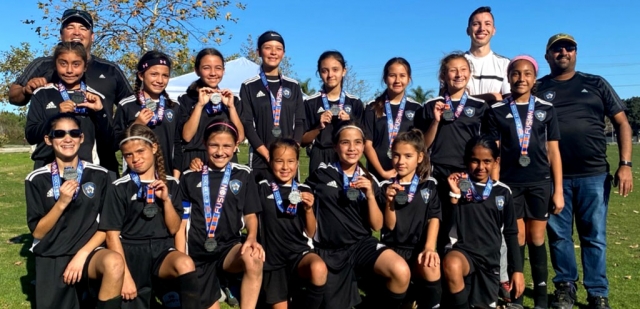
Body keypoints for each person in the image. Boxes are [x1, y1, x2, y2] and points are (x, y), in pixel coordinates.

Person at [538, 33, 633, 309]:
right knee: (559, 236)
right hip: (555, 177)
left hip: (594, 175)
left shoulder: (596, 83)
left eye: (569, 48)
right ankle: (565, 288)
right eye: (557, 49)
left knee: (594, 236)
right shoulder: (539, 88)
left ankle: (597, 292)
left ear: (576, 53)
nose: (563, 52)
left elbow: (622, 124)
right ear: (547, 56)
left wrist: (625, 165)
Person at [11, 8, 131, 174]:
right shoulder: (43, 65)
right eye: (70, 27)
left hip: (100, 166)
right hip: (51, 166)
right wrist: (26, 90)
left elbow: (131, 108)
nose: (76, 32)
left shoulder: (111, 70)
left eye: (83, 28)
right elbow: (14, 96)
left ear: (92, 36)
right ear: (61, 34)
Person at [305, 123, 410, 309]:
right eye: (345, 142)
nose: (352, 148)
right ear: (336, 146)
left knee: (400, 271)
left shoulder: (369, 179)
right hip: (330, 251)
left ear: (363, 146)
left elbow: (377, 226)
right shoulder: (321, 174)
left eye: (357, 143)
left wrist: (370, 194)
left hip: (361, 245)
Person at [25, 114, 124, 309]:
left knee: (114, 262)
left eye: (74, 133)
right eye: (60, 134)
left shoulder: (101, 175)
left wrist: (82, 254)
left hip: (89, 253)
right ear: (48, 139)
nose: (68, 139)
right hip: (53, 255)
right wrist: (61, 203)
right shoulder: (36, 179)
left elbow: (107, 225)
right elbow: (38, 232)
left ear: (82, 137)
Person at [488, 55, 563, 308]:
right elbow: (495, 155)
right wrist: (496, 187)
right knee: (516, 237)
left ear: (534, 78)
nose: (521, 78)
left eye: (527, 74)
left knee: (537, 237)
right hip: (511, 185)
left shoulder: (546, 109)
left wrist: (558, 190)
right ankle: (516, 298)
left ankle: (541, 298)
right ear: (508, 78)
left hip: (540, 182)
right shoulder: (497, 111)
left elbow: (554, 152)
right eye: (516, 73)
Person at [99, 124, 199, 309]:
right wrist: (125, 277)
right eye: (128, 155)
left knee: (185, 263)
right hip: (131, 251)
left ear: (153, 148)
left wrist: (167, 201)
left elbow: (174, 228)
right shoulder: (119, 187)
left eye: (140, 151)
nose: (135, 158)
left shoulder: (171, 183)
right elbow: (112, 235)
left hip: (162, 250)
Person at [179, 121, 264, 309]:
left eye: (226, 146)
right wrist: (181, 258)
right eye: (214, 145)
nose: (220, 152)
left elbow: (250, 214)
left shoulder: (243, 175)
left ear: (235, 147)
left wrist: (251, 238)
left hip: (228, 250)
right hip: (198, 255)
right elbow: (182, 223)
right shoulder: (189, 176)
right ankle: (219, 288)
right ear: (204, 144)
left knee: (254, 257)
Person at [415, 52, 489, 256]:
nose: (459, 74)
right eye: (453, 70)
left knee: (464, 221)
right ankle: (433, 267)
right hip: (436, 171)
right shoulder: (431, 106)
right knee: (437, 220)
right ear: (443, 76)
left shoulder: (479, 107)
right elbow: (423, 145)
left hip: (466, 173)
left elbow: (485, 146)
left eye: (463, 69)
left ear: (469, 74)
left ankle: (462, 267)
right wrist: (436, 120)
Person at [442, 136, 524, 308]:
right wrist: (455, 196)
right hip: (463, 253)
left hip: (490, 260)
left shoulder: (503, 191)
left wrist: (517, 270)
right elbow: (446, 225)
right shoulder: (456, 187)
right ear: (466, 160)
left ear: (496, 161)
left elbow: (510, 233)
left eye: (487, 161)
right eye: (475, 161)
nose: (480, 167)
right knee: (452, 264)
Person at [257, 138, 327, 309]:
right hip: (272, 259)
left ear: (297, 163)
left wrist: (309, 210)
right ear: (270, 162)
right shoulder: (261, 188)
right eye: (279, 161)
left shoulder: (305, 190)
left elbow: (310, 233)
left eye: (290, 161)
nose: (285, 167)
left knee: (319, 268)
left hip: (298, 254)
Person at [25, 42, 115, 170]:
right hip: (47, 170)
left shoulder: (95, 98)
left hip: (86, 171)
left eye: (76, 64)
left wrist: (100, 112)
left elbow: (109, 142)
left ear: (85, 67)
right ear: (55, 65)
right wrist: (56, 115)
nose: (69, 70)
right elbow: (30, 135)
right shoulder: (42, 94)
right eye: (63, 63)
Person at [379, 129, 442, 308]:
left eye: (408, 156)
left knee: (431, 264)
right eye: (396, 156)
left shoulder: (429, 185)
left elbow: (434, 218)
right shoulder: (386, 187)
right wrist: (389, 202)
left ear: (420, 157)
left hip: (419, 249)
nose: (401, 161)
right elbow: (389, 226)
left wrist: (430, 247)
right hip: (392, 250)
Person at [240, 30, 305, 182]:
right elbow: (247, 124)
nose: (273, 52)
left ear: (283, 53)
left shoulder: (293, 86)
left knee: (289, 202)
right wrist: (267, 154)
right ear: (259, 52)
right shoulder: (249, 86)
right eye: (268, 47)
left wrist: (291, 151)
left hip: (287, 161)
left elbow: (300, 122)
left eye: (278, 48)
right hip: (260, 160)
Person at [114, 51, 184, 178]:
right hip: (134, 178)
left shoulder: (174, 107)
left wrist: (176, 175)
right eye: (154, 74)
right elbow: (114, 142)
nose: (160, 80)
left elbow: (177, 144)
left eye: (165, 75)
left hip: (167, 177)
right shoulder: (127, 105)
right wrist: (137, 125)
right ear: (141, 75)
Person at [302, 51, 364, 174]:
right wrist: (319, 127)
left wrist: (350, 122)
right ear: (319, 73)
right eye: (325, 70)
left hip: (346, 155)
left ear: (344, 71)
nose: (330, 75)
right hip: (320, 155)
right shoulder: (310, 103)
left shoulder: (355, 102)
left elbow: (363, 139)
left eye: (335, 69)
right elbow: (302, 141)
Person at [180, 48, 245, 166]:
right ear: (197, 70)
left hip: (225, 157)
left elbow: (239, 138)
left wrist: (231, 107)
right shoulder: (186, 99)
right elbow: (187, 136)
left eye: (218, 68)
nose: (213, 73)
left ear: (224, 71)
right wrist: (199, 105)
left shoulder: (232, 100)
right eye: (206, 68)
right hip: (196, 160)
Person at [363, 57, 422, 181]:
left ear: (409, 79)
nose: (397, 80)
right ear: (385, 79)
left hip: (407, 175)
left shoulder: (417, 109)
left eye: (402, 75)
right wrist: (382, 172)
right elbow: (367, 145)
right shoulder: (372, 107)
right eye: (392, 75)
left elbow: (420, 145)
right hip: (378, 174)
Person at [464, 6, 510, 104]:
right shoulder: (454, 64)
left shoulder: (505, 64)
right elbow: (449, 101)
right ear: (468, 30)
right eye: (476, 24)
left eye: (487, 24)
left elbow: (509, 102)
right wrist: (492, 97)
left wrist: (467, 98)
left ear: (494, 30)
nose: (482, 28)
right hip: (463, 119)